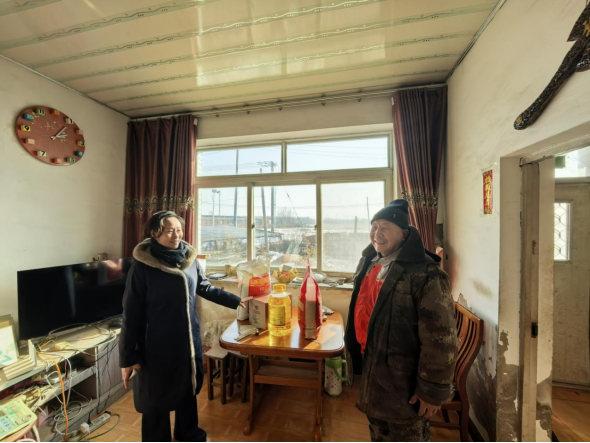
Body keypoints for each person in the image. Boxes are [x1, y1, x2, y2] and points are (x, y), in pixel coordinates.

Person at [120, 211, 244, 443]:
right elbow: (131, 313)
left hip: (187, 340)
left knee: (188, 387)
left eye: (179, 230)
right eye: (169, 231)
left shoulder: (189, 259)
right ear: (154, 233)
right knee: (156, 397)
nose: (176, 235)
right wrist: (127, 356)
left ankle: (188, 432)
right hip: (155, 345)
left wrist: (238, 302)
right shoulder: (143, 265)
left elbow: (205, 287)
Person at [345, 200, 458, 443]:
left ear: (404, 234)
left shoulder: (426, 273)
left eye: (386, 227)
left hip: (404, 383)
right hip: (373, 371)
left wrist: (431, 390)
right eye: (374, 226)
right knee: (378, 433)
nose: (377, 233)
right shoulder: (370, 262)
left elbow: (441, 339)